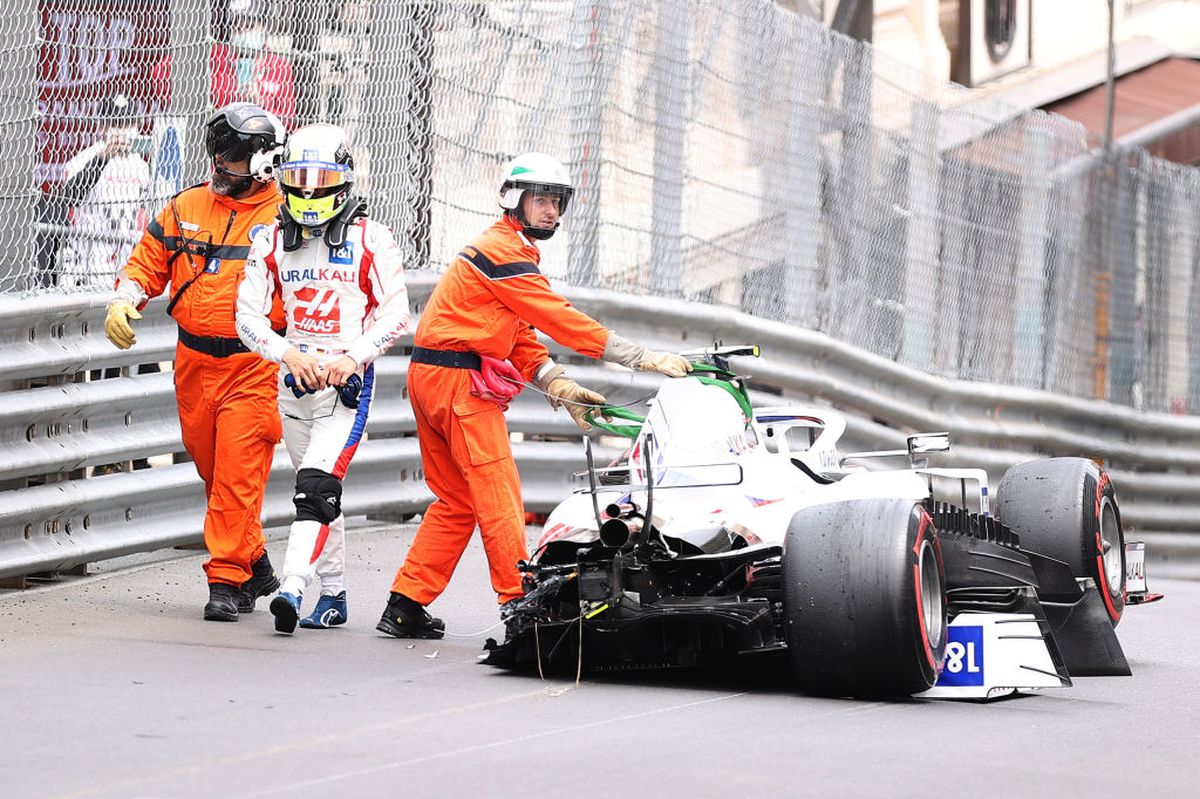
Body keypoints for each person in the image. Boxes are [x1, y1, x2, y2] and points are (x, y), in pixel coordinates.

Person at [376, 152, 692, 639]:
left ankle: (405, 603)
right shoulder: (504, 252)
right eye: (540, 199)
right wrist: (639, 356)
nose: (550, 210)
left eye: (557, 201)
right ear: (513, 199)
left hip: (435, 378)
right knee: (498, 494)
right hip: (458, 386)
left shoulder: (509, 250)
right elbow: (556, 317)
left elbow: (520, 334)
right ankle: (520, 606)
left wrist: (555, 382)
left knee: (457, 500)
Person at [103, 102, 289, 622]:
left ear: (262, 162)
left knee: (235, 474)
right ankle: (255, 561)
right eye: (217, 153)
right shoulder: (186, 205)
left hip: (254, 368)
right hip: (192, 363)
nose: (219, 164)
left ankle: (226, 580)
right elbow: (147, 262)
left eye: (231, 156)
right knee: (215, 471)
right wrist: (125, 297)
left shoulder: (285, 219)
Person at [235, 123, 411, 634]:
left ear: (345, 179)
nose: (310, 192)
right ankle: (333, 595)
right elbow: (246, 316)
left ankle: (291, 587)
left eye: (322, 179)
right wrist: (285, 353)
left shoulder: (373, 238)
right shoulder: (269, 238)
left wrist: (354, 357)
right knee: (320, 492)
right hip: (292, 384)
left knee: (313, 489)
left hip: (344, 389)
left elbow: (396, 313)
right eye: (300, 179)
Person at [56, 93, 151, 290]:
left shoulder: (142, 167)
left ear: (137, 126)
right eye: (114, 124)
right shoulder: (83, 159)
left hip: (128, 263)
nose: (122, 131)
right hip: (89, 263)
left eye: (127, 124)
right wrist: (102, 159)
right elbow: (68, 197)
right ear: (101, 127)